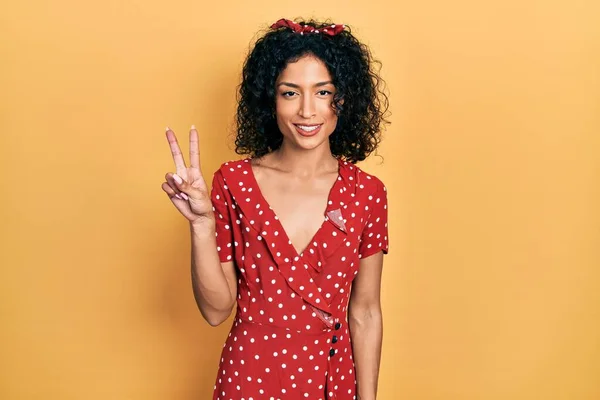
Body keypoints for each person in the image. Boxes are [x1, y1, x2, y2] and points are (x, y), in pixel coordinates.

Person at [162, 18, 390, 400]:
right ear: (270, 98)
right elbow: (217, 311)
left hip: (330, 379)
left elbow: (365, 312)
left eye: (323, 92)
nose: (306, 111)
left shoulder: (368, 193)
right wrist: (202, 225)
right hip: (249, 376)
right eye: (289, 93)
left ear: (344, 99)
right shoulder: (233, 183)